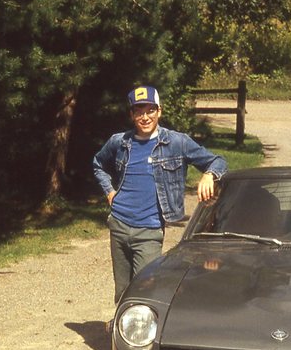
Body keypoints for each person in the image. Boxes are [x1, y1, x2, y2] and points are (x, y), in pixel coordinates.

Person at [93, 86, 228, 302]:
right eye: (139, 111)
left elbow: (218, 161)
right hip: (118, 224)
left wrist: (209, 175)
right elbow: (98, 164)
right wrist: (110, 192)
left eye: (150, 110)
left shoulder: (177, 142)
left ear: (159, 111)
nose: (145, 117)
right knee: (122, 291)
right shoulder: (120, 142)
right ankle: (122, 322)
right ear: (131, 114)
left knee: (145, 290)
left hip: (149, 230)